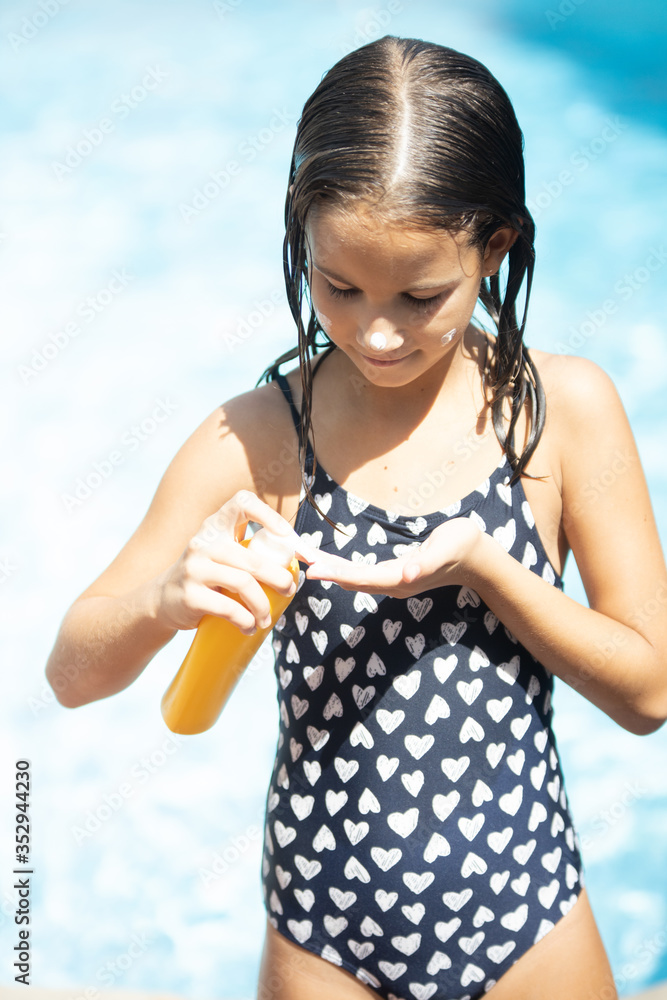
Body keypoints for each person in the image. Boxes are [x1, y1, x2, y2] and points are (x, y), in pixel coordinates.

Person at [45, 34, 667, 1000]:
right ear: (302, 238)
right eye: (339, 287)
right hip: (323, 934)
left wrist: (488, 570)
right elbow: (72, 674)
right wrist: (164, 602)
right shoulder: (256, 438)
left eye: (422, 296)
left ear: (494, 247)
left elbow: (649, 694)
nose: (376, 332)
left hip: (527, 918)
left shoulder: (561, 414)